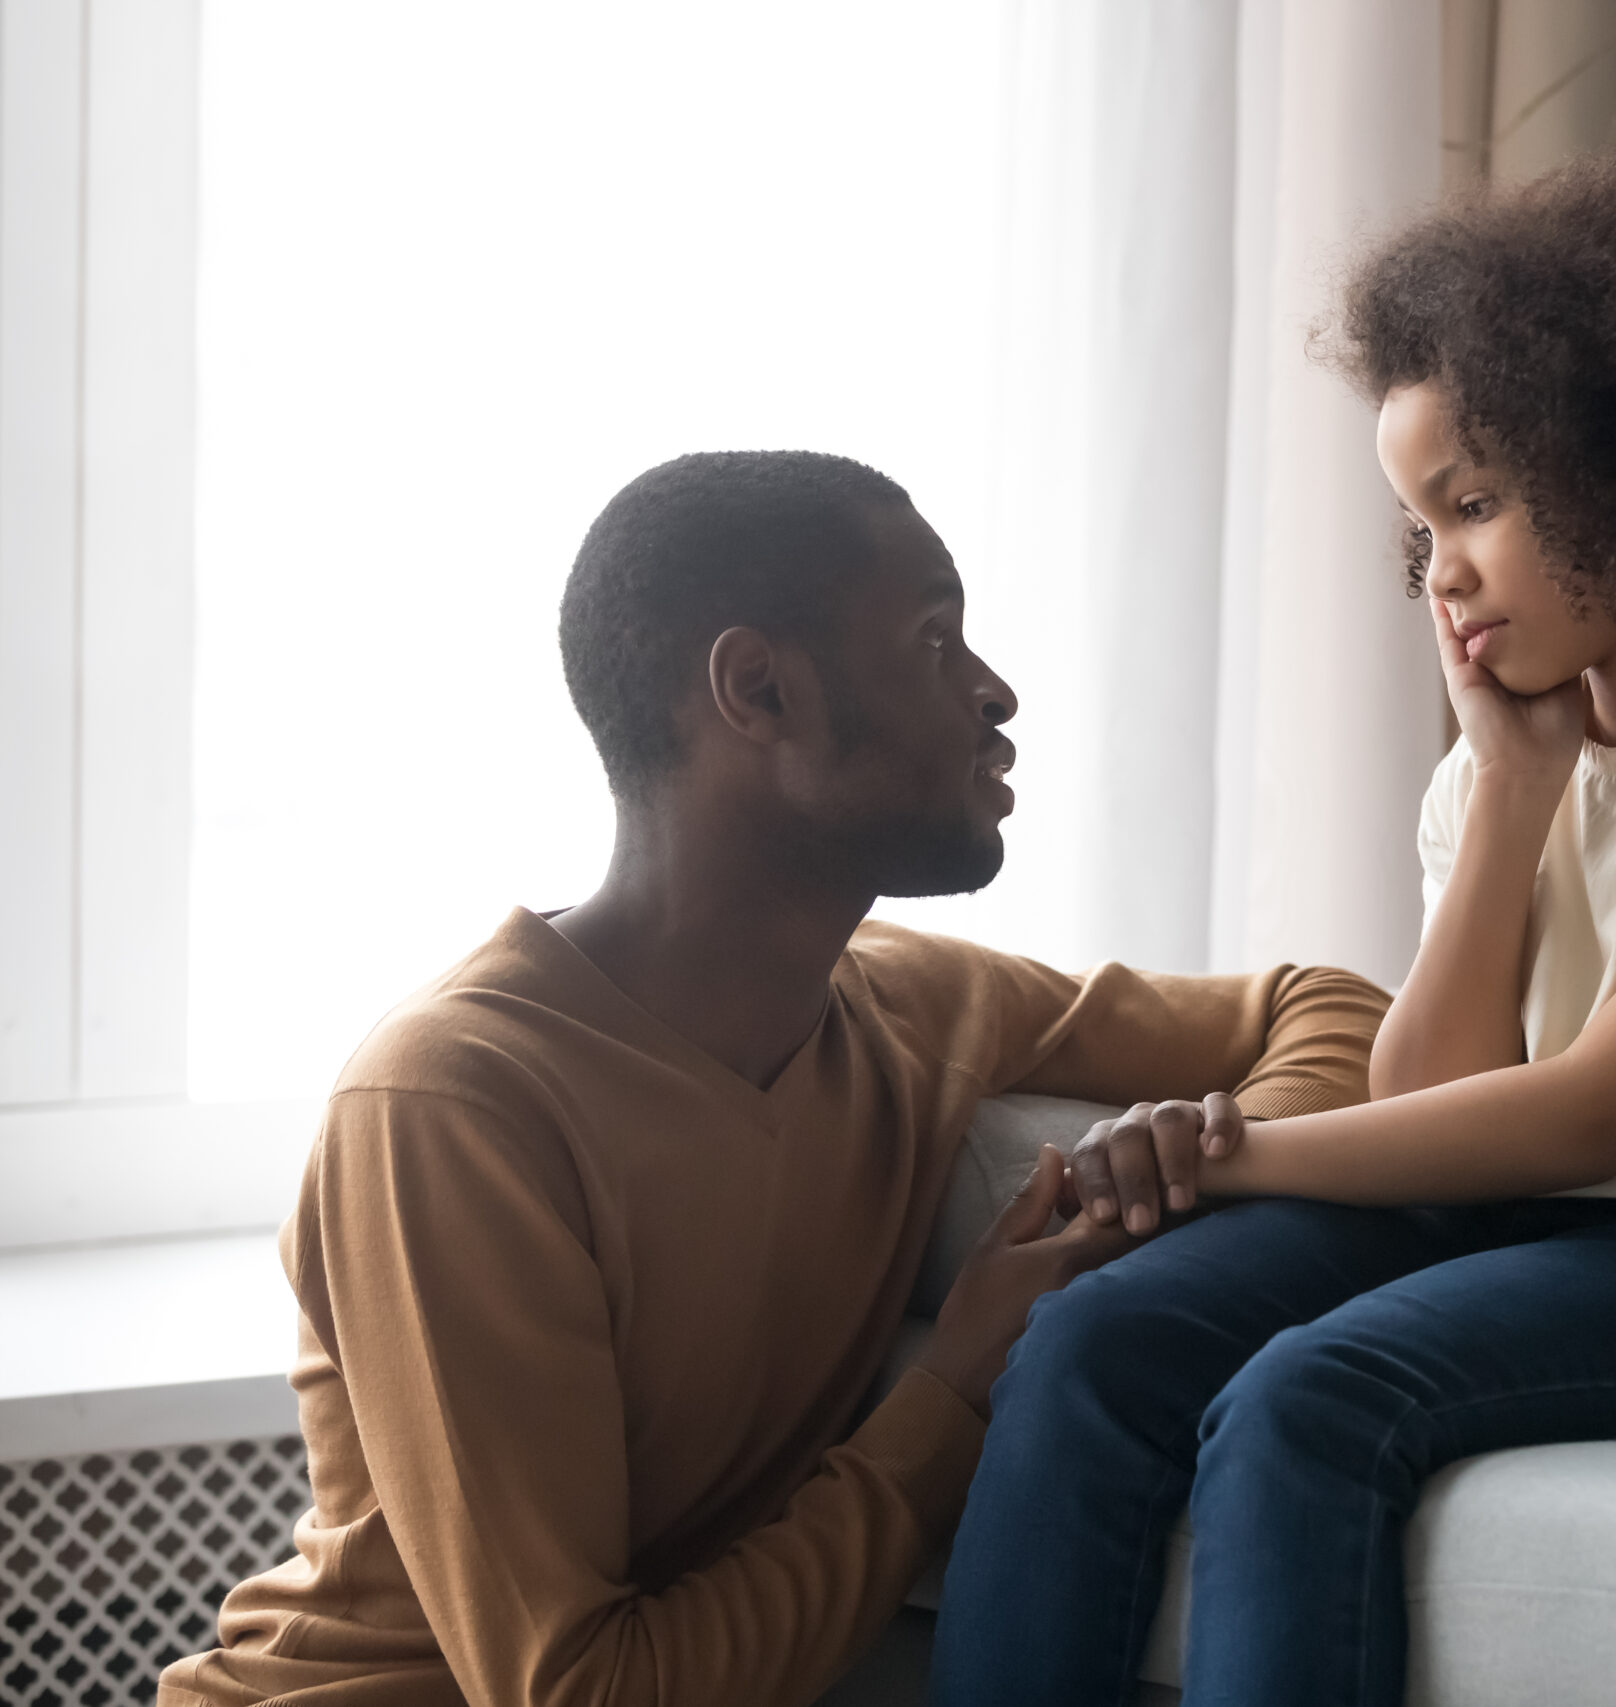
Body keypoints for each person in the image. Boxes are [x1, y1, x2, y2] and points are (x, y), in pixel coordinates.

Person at [931, 148, 1616, 1707]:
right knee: (1093, 1337)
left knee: (1311, 1394)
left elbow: (1592, 1108)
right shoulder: (1511, 757)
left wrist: (1226, 1152)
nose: (1444, 572)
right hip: (1519, 1216)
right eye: (1421, 529)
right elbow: (1429, 1107)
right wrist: (1506, 790)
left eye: (1473, 504)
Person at [158, 451, 1389, 1707]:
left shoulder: (914, 1003)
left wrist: (1217, 1158)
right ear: (757, 689)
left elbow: (1332, 1007)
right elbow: (586, 1694)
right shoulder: (456, 1108)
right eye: (934, 639)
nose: (996, 692)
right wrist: (950, 1392)